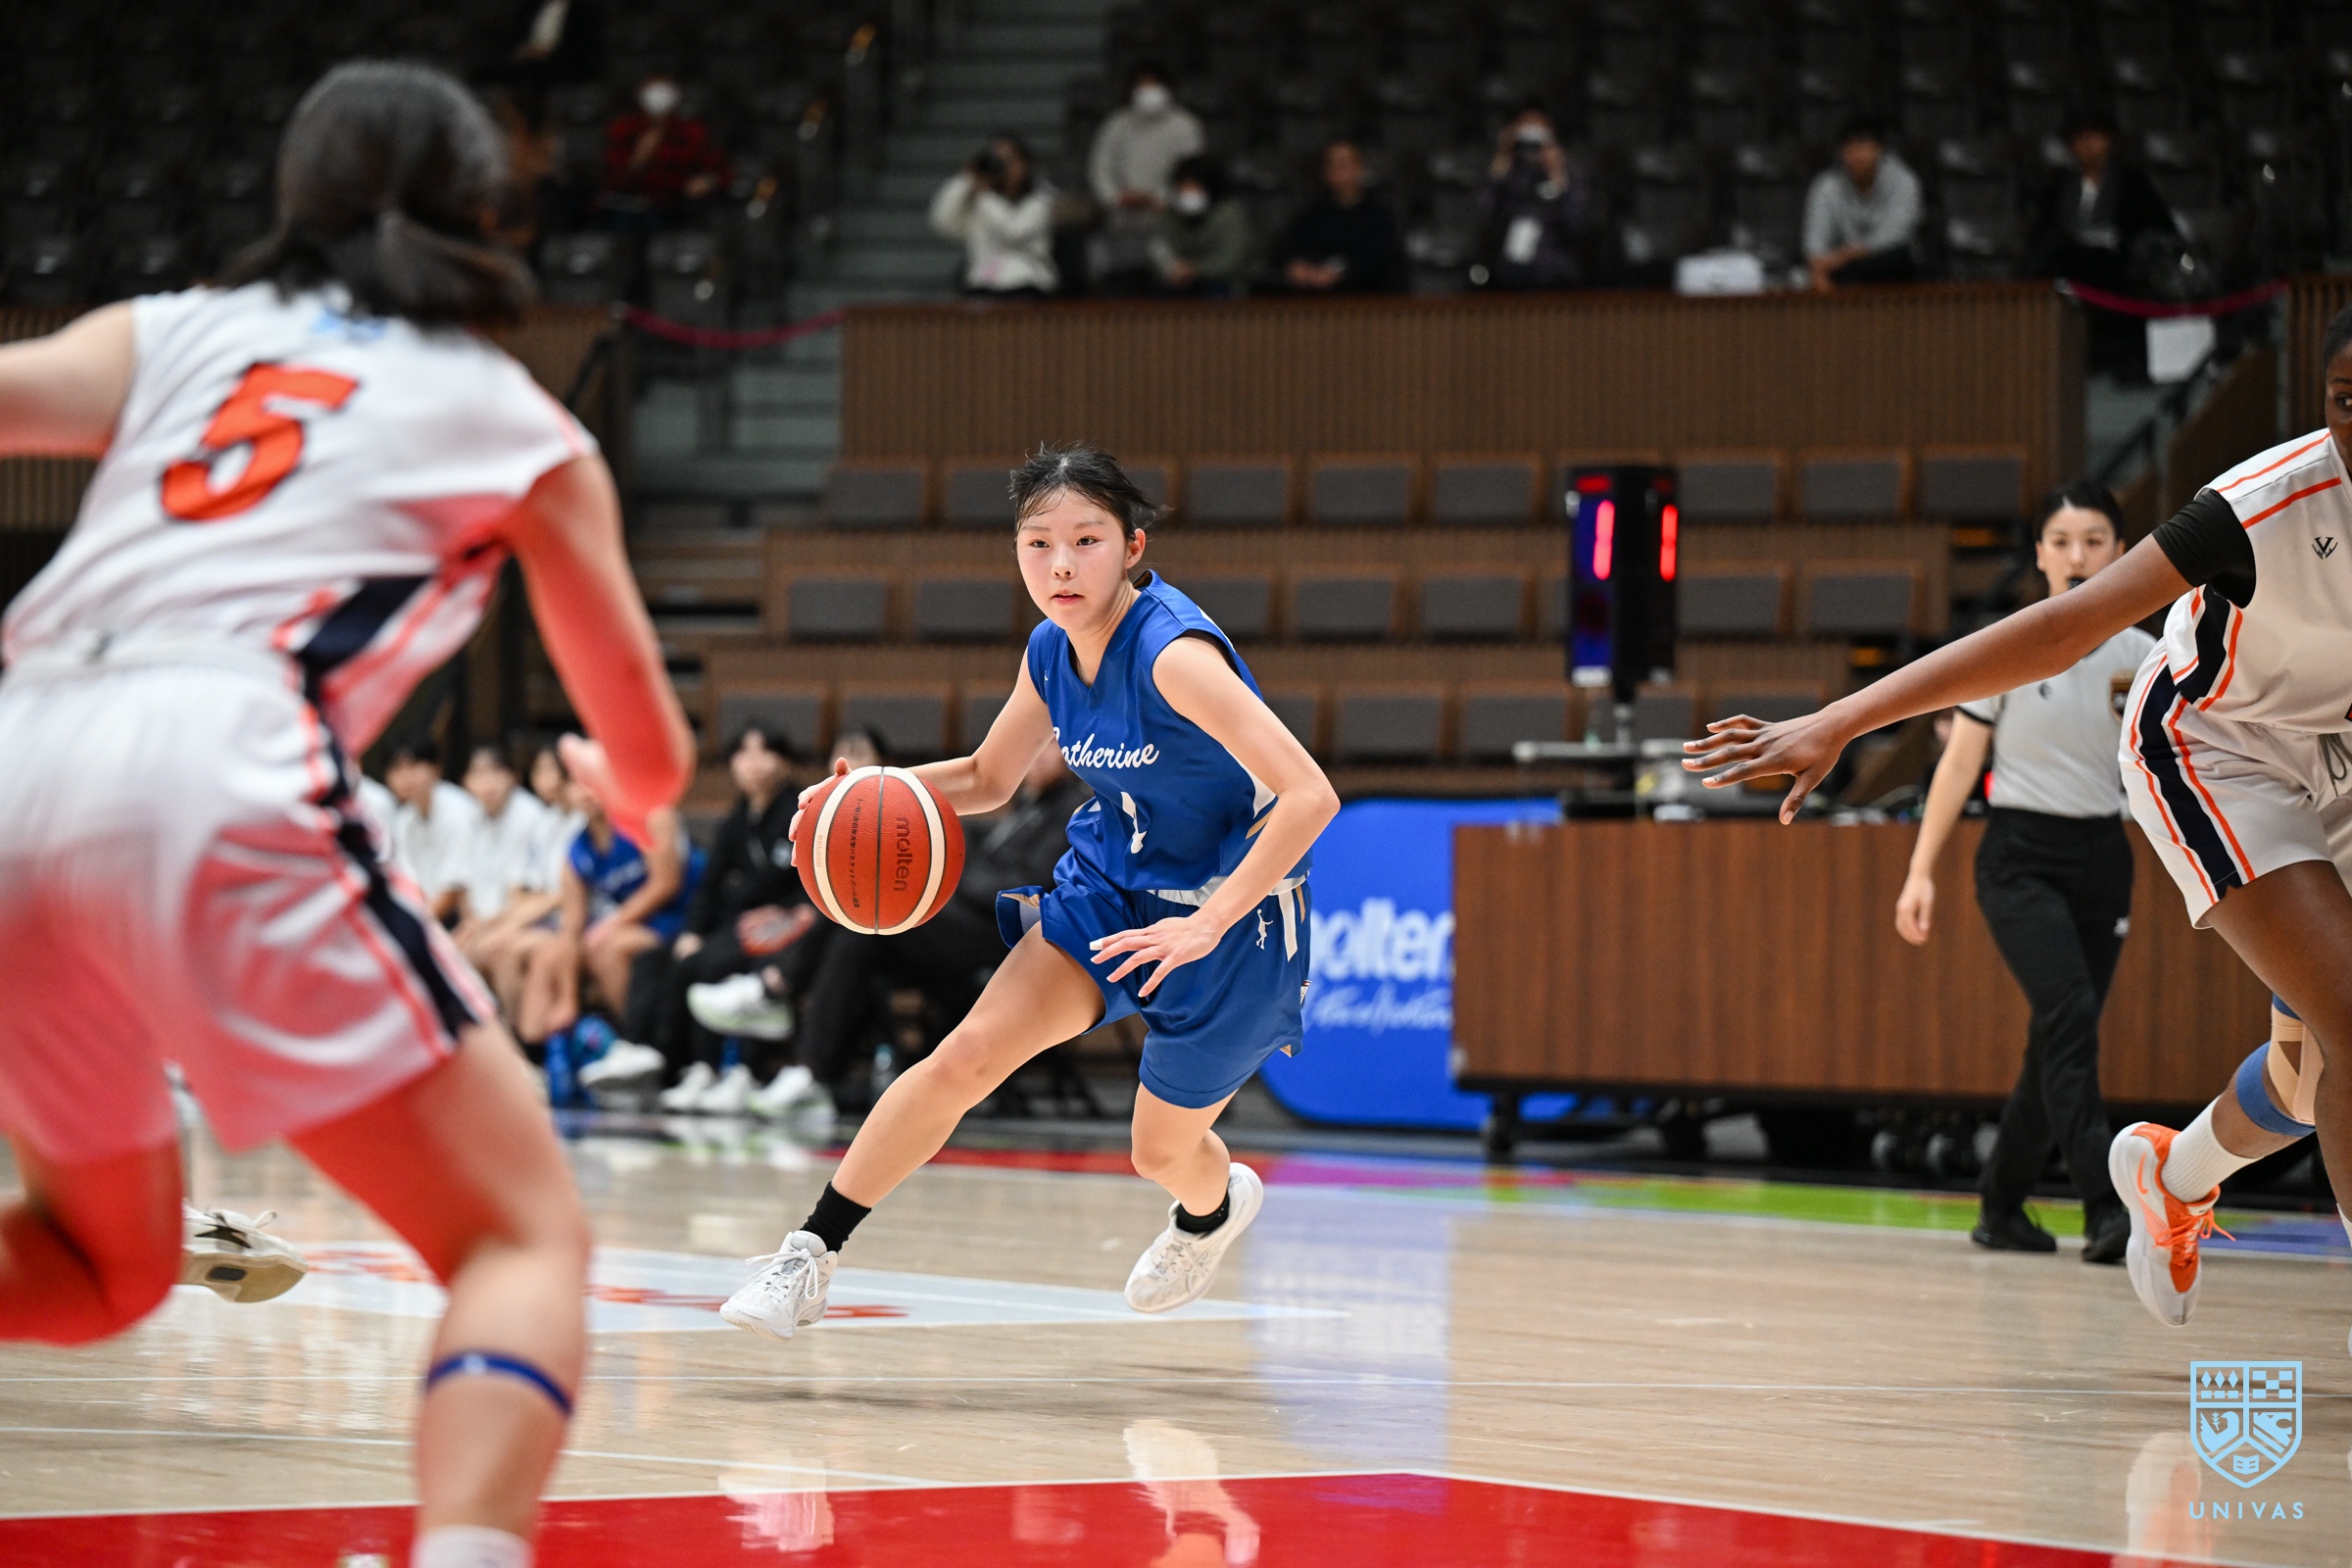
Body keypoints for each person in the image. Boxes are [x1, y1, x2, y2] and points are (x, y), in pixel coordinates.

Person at [0, 60, 692, 1568]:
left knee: (104, 1267)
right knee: (518, 1236)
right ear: (490, 213)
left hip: (19, 742)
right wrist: (623, 792)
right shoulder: (516, 424)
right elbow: (647, 750)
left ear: (293, 199)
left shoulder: (175, 330)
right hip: (217, 750)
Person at [1685, 304, 2352, 1339]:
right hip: (2212, 753)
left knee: (2313, 1073)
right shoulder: (2262, 505)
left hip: (2326, 761)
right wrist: (1843, 719)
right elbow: (2059, 631)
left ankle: (2170, 1174)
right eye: (2346, 401)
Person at [717, 445, 1339, 1338]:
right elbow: (987, 777)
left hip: (1233, 922)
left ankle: (1211, 1211)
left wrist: (1207, 923)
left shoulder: (1173, 656)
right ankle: (810, 1254)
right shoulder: (1050, 651)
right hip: (1110, 890)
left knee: (1159, 1152)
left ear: (1131, 547)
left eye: (1086, 541)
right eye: (1038, 543)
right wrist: (866, 795)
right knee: (963, 1058)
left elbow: (1310, 794)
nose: (1060, 565)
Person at [1894, 484, 2153, 1262]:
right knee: (2069, 1015)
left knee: (2059, 1036)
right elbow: (1959, 764)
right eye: (2062, 541)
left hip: (2103, 855)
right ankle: (2105, 1207)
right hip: (2018, 859)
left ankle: (2001, 1204)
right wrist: (1920, 871)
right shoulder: (2003, 647)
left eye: (2095, 541)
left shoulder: (2145, 656)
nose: (2078, 556)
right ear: (2040, 554)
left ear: (2121, 553)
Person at [612, 723, 824, 1116]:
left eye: (765, 752)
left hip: (790, 926)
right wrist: (693, 931)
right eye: (744, 753)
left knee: (713, 964)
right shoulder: (736, 819)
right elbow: (710, 886)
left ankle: (743, 1072)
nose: (753, 763)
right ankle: (665, 1057)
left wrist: (776, 909)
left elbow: (806, 881)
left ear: (784, 761)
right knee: (663, 958)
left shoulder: (800, 812)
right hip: (741, 925)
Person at [2027, 107, 2179, 382]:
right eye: (2080, 138)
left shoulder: (2132, 183)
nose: (2088, 144)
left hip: (2117, 268)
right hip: (2070, 267)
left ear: (2110, 141)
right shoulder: (2059, 184)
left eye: (2095, 136)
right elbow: (2043, 230)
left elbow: (2158, 230)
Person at [1089, 61, 1205, 293]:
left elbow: (1193, 173)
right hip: (1123, 217)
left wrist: (1161, 198)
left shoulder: (1185, 126)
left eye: (1155, 85)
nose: (1149, 92)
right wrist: (1117, 197)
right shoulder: (1116, 124)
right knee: (1119, 280)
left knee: (1169, 277)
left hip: (1170, 215)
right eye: (1143, 86)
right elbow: (1100, 169)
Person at [454, 744, 557, 978]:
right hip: (486, 920)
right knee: (449, 950)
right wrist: (472, 924)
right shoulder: (470, 816)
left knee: (493, 948)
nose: (487, 782)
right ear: (466, 782)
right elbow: (463, 886)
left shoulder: (528, 814)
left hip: (528, 918)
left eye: (494, 771)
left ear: (513, 777)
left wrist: (485, 926)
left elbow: (519, 893)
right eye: (478, 774)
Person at [1271, 140, 1407, 295]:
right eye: (1331, 164)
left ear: (1360, 168)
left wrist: (1339, 274)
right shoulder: (1311, 215)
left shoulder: (1379, 216)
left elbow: (1377, 260)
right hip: (1316, 300)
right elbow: (1286, 251)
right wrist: (1298, 268)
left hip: (1366, 300)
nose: (1338, 169)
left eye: (1344, 163)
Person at [929, 134, 1058, 297]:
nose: (1003, 168)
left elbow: (1012, 231)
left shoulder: (1039, 203)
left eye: (1009, 161)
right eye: (997, 162)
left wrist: (985, 195)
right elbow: (943, 222)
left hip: (1026, 287)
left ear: (1025, 164)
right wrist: (967, 178)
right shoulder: (981, 206)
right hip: (982, 286)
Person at [1803, 115, 1923, 289]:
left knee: (1899, 258)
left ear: (1880, 149)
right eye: (1850, 146)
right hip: (1843, 269)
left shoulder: (1904, 181)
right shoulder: (1826, 186)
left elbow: (1896, 235)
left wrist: (1848, 254)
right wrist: (1819, 273)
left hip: (1889, 266)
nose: (1856, 153)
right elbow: (1815, 244)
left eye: (1863, 144)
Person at [598, 74, 727, 229]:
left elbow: (721, 170)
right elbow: (611, 179)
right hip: (630, 208)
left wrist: (708, 181)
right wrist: (637, 159)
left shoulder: (692, 132)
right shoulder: (622, 129)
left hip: (675, 207)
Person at [1480, 108, 1589, 290]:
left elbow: (1577, 224)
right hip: (1510, 273)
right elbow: (1482, 214)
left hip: (1555, 271)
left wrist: (1557, 175)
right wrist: (1502, 159)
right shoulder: (1507, 174)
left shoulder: (1571, 174)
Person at [387, 738, 486, 924]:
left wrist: (419, 927)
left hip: (466, 913)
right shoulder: (404, 818)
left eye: (413, 766)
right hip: (427, 911)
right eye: (397, 769)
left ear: (435, 768)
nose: (405, 777)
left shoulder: (458, 810)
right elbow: (406, 878)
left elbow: (455, 886)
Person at [1151, 154, 1253, 298]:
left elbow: (1231, 260)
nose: (1186, 192)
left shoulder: (1229, 214)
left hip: (1223, 283)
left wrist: (1196, 269)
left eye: (1192, 186)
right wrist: (1171, 268)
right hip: (1179, 282)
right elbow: (1159, 247)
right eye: (1181, 186)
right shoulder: (1170, 214)